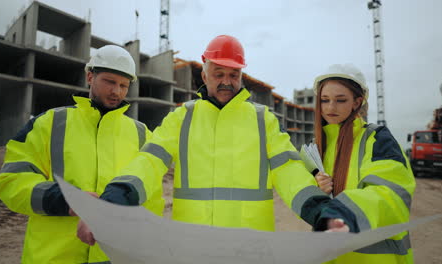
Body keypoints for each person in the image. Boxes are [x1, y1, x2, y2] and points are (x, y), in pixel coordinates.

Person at [78, 35, 359, 246]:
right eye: (219, 74)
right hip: (192, 248)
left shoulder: (263, 120)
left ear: (241, 76)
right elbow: (149, 162)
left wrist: (321, 211)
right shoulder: (183, 118)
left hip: (251, 249)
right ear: (204, 74)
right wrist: (112, 201)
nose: (227, 81)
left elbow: (289, 173)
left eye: (233, 75)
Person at [0, 45, 161, 264]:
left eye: (124, 85)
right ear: (90, 76)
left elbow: (152, 196)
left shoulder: (141, 134)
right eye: (110, 82)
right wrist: (66, 199)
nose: (117, 92)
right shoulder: (48, 124)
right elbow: (11, 182)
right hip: (54, 257)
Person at [312, 64, 416, 263]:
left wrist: (342, 214)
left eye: (340, 100)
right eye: (324, 100)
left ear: (357, 102)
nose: (330, 108)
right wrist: (316, 187)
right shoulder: (318, 146)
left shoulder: (377, 139)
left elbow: (391, 193)